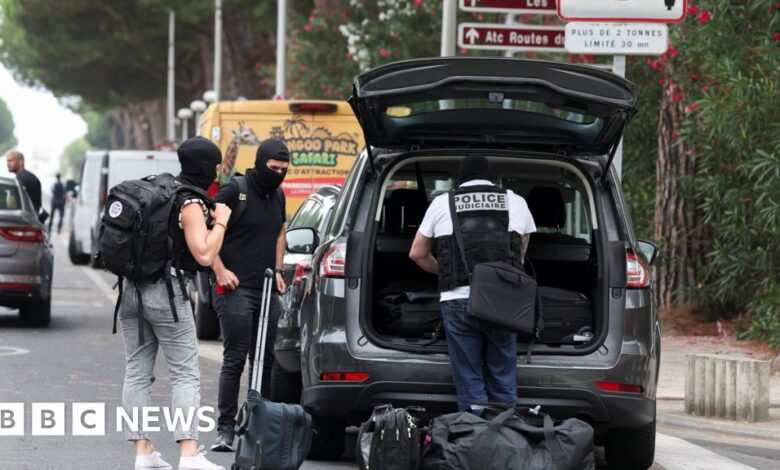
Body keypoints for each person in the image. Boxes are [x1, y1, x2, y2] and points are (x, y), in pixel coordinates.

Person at [119, 137, 230, 470]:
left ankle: (143, 453)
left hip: (130, 290)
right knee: (185, 375)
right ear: (208, 167)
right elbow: (204, 252)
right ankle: (189, 455)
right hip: (166, 291)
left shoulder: (159, 188)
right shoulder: (190, 201)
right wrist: (221, 219)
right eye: (215, 165)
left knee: (137, 372)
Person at [408, 155, 536, 411]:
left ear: (459, 179)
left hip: (457, 299)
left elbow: (417, 253)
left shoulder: (442, 203)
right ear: (491, 178)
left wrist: (446, 271)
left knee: (469, 379)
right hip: (502, 300)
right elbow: (520, 257)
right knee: (502, 376)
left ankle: (475, 441)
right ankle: (507, 438)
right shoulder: (516, 202)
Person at [210, 138, 289, 452]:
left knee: (266, 362)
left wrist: (280, 270)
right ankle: (226, 429)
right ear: (260, 163)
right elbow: (206, 233)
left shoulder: (279, 194)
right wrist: (219, 270)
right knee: (235, 360)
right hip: (235, 289)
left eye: (284, 170)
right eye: (274, 168)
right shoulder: (234, 191)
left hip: (267, 288)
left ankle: (259, 428)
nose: (279, 174)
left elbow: (281, 232)